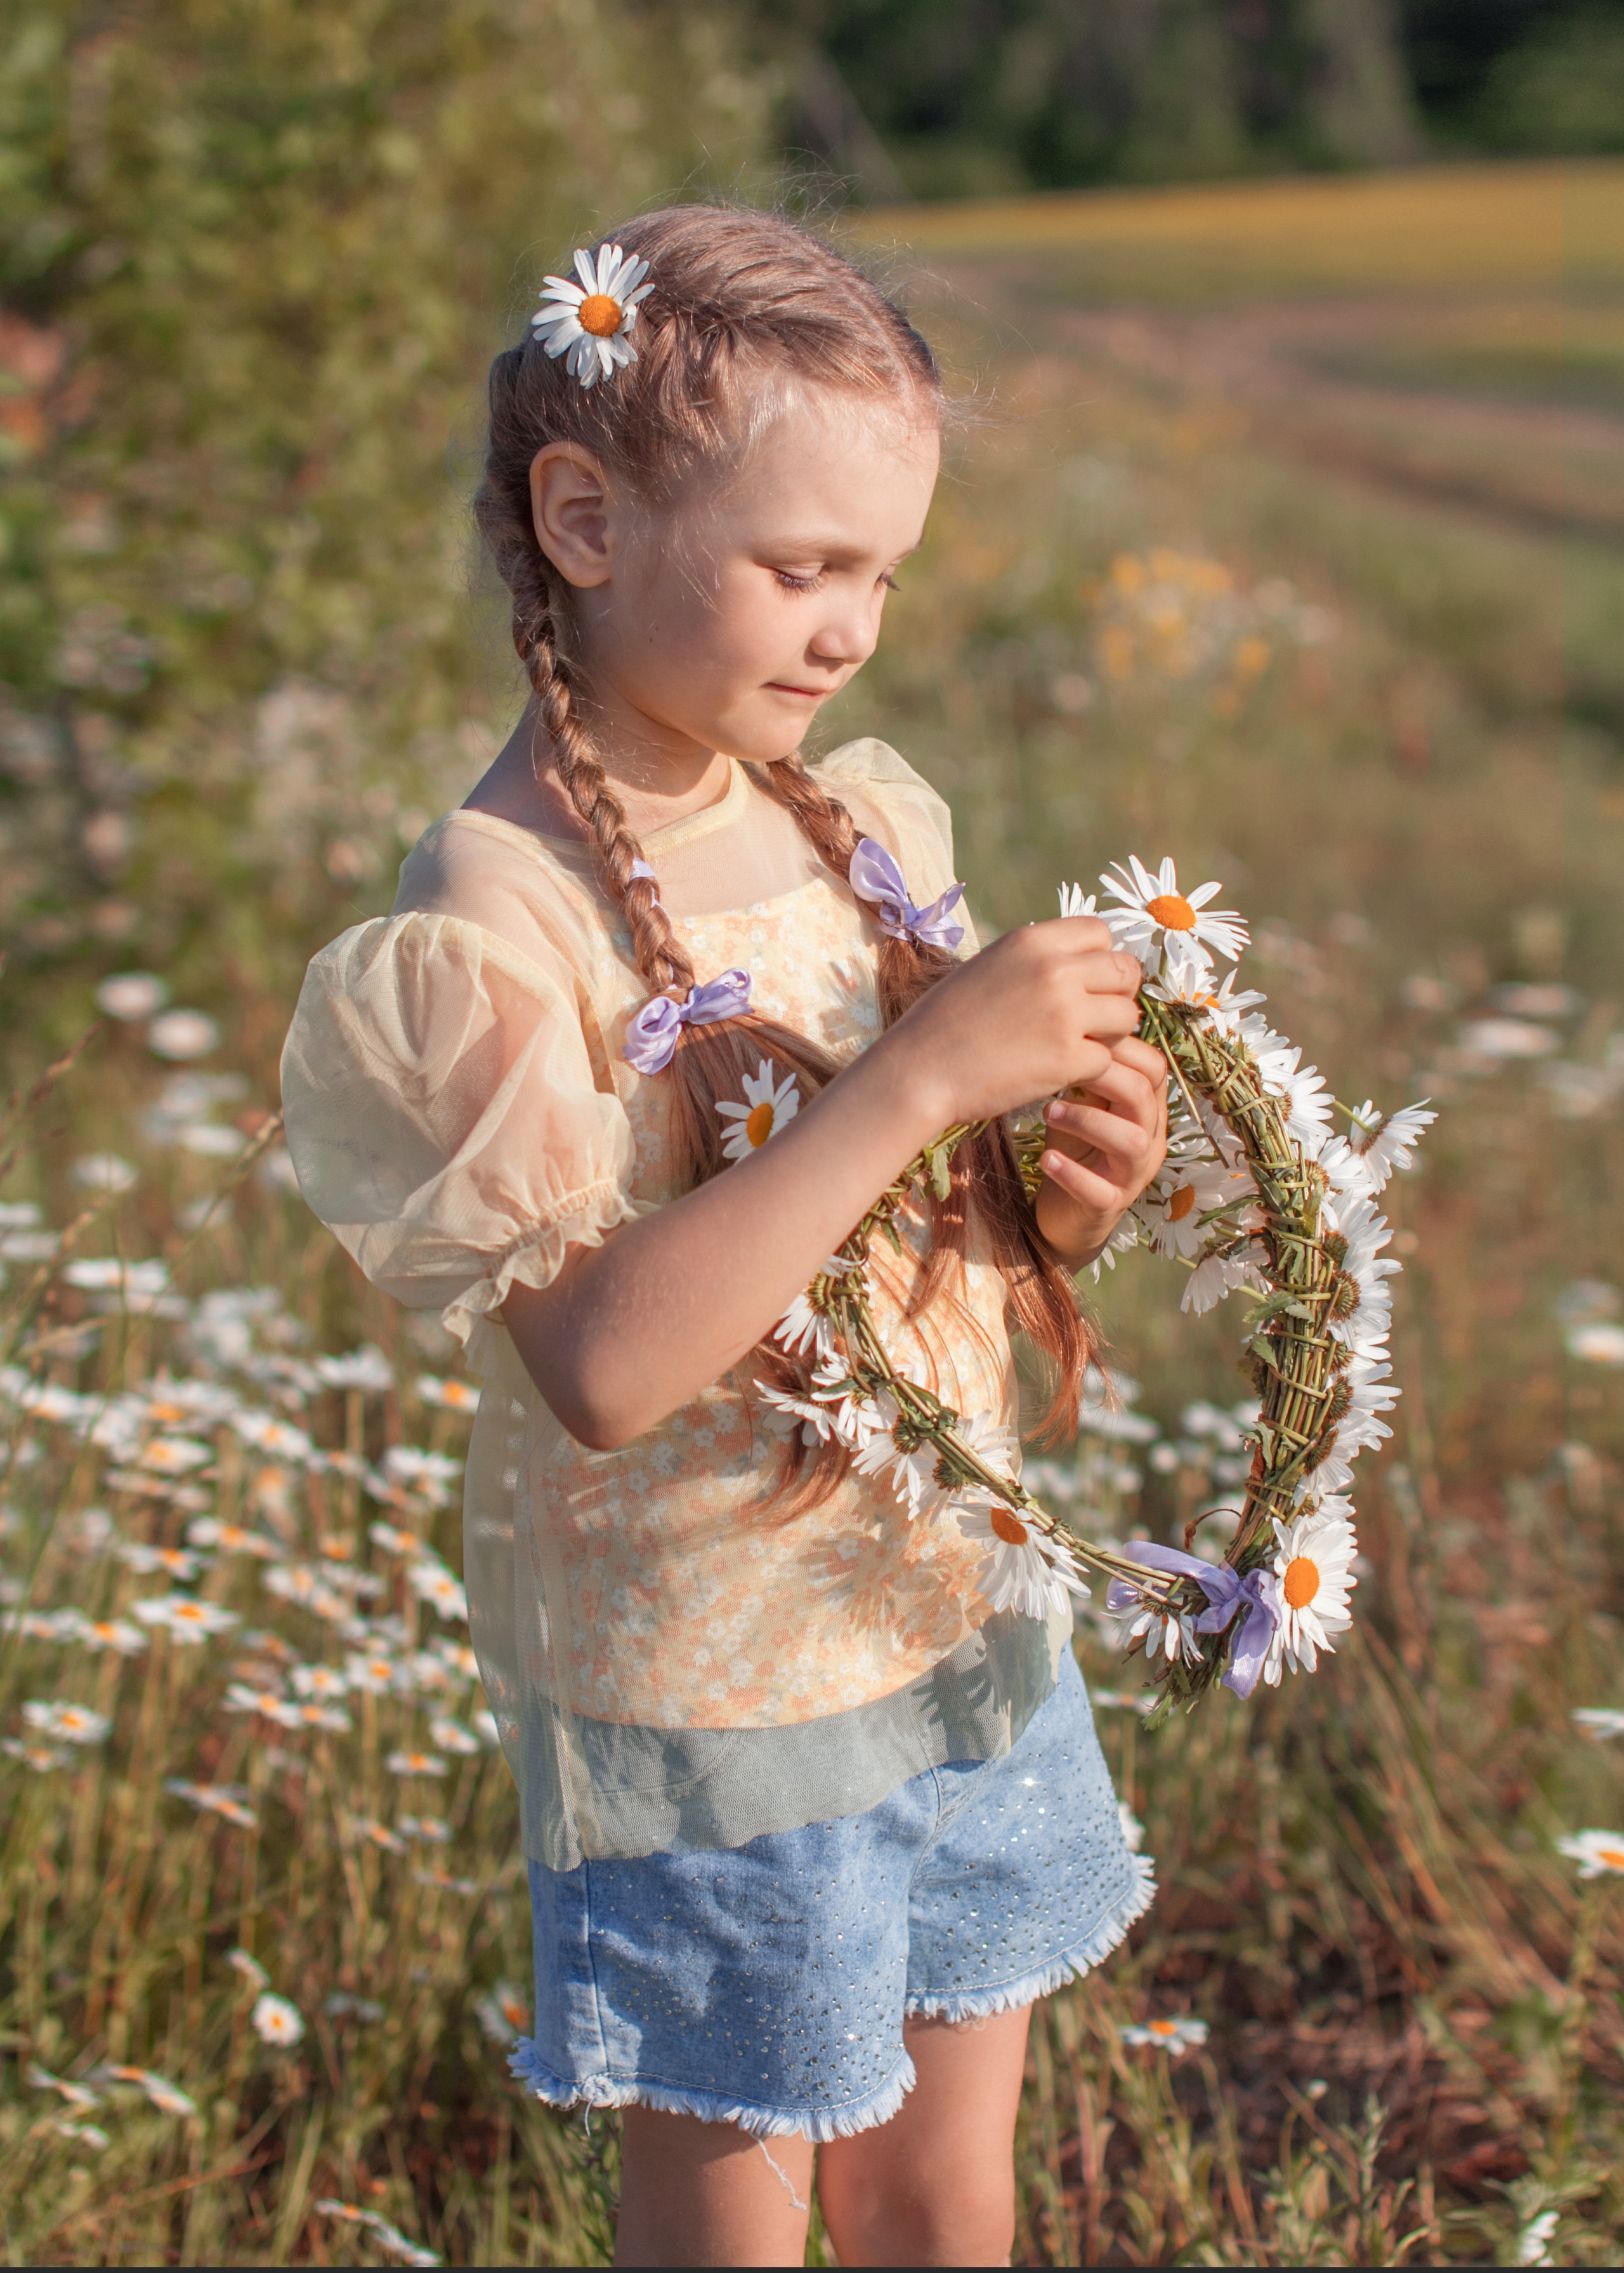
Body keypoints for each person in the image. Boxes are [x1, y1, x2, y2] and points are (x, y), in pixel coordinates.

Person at [281, 204, 1169, 2268]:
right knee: (741, 2218)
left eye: (882, 574)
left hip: (950, 1612)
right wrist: (919, 1079)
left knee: (952, 2198)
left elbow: (890, 1240)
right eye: (802, 566)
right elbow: (601, 1369)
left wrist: (1053, 1201)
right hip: (708, 1701)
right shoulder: (493, 923)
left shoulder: (858, 817)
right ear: (583, 515)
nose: (852, 628)